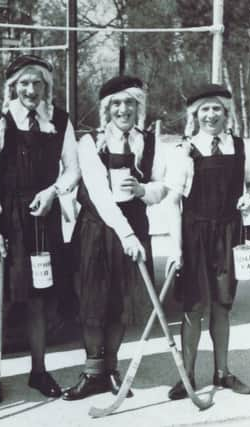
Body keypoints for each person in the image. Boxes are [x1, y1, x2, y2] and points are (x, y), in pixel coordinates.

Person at [0, 54, 80, 398]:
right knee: (2, 297)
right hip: (9, 216)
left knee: (40, 298)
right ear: (13, 87)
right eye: (24, 83)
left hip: (44, 216)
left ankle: (39, 371)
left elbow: (72, 170)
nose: (31, 90)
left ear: (46, 87)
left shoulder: (60, 121)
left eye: (37, 83)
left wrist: (54, 192)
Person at [62, 75, 166, 401]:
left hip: (135, 226)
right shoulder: (90, 142)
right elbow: (99, 195)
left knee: (121, 303)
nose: (123, 110)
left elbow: (162, 186)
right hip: (98, 230)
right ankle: (91, 372)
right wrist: (127, 235)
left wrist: (144, 190)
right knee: (94, 301)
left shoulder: (148, 141)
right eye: (116, 104)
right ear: (107, 108)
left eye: (130, 103)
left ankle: (111, 369)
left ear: (138, 107)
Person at [164, 83, 250, 400]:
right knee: (194, 306)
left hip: (230, 234)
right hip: (195, 235)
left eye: (216, 108)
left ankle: (222, 373)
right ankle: (187, 376)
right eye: (204, 109)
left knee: (223, 304)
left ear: (226, 113)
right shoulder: (185, 150)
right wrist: (176, 249)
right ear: (195, 115)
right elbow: (171, 202)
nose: (211, 115)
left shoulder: (240, 147)